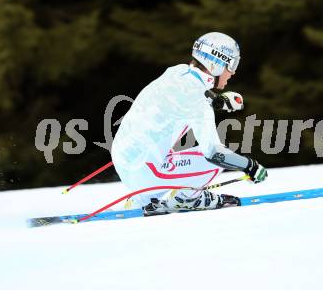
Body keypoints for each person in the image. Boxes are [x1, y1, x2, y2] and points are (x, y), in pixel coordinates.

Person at [111, 32, 268, 215]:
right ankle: (184, 199)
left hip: (124, 159)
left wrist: (217, 101)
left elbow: (186, 95)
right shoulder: (199, 104)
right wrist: (250, 166)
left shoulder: (176, 71)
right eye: (231, 65)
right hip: (144, 172)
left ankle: (143, 197)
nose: (233, 72)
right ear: (215, 63)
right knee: (216, 161)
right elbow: (214, 153)